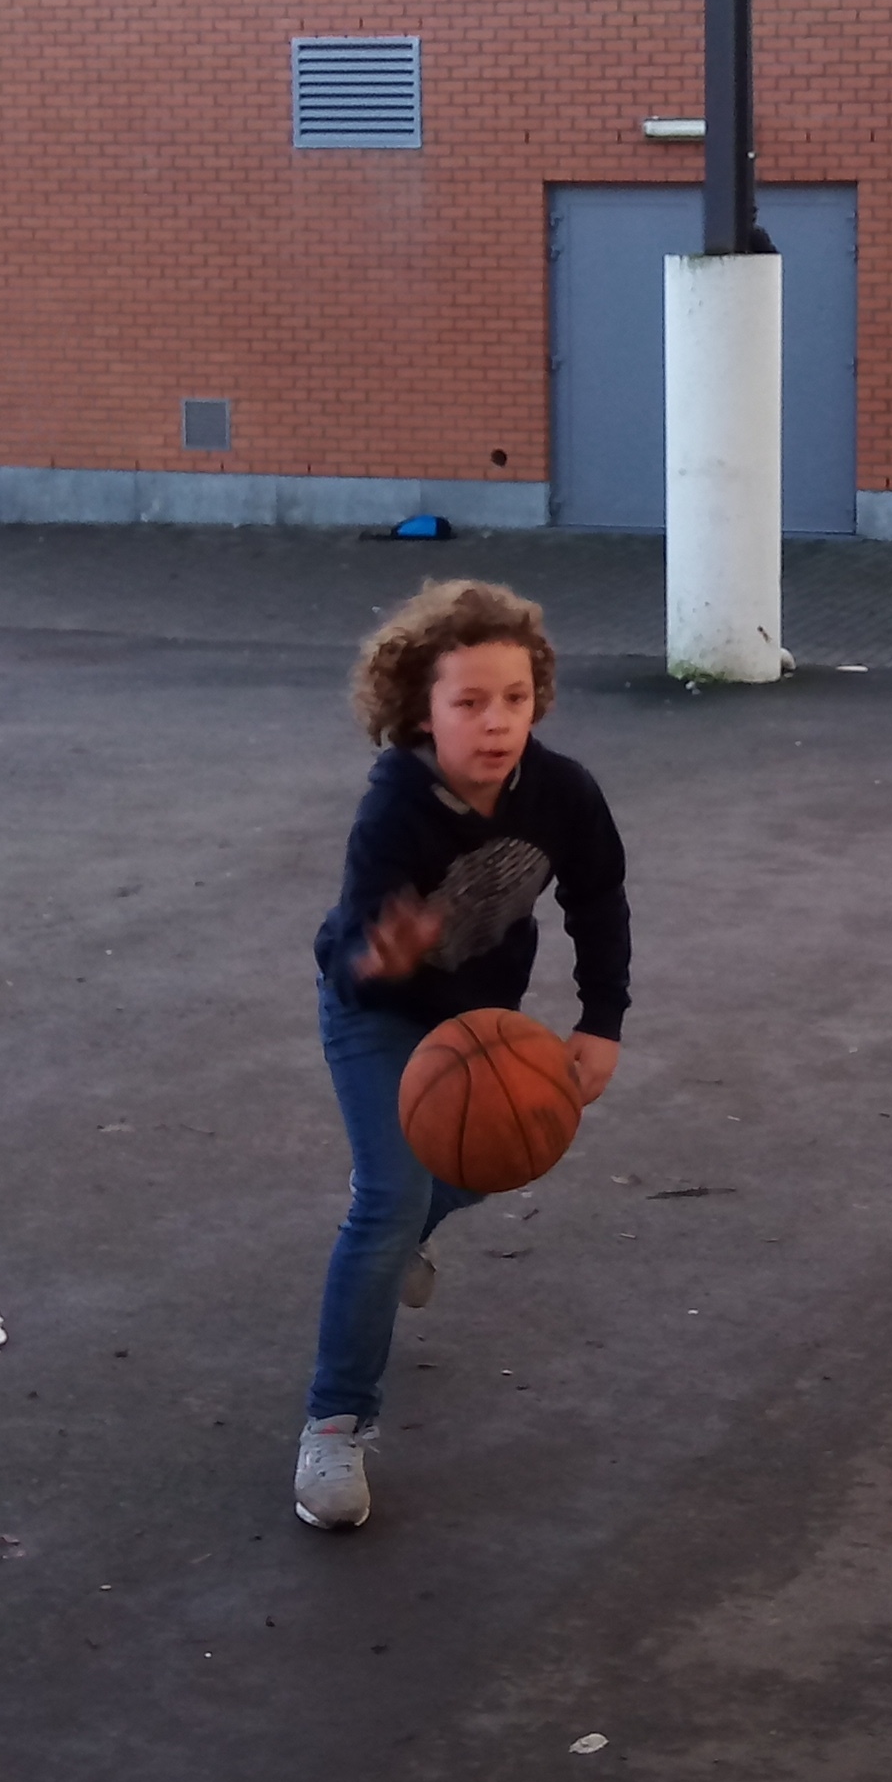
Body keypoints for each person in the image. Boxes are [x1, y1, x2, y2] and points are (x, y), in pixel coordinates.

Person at [294, 579, 628, 1533]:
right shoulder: (393, 810)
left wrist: (601, 1020)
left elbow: (598, 900)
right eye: (469, 702)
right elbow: (355, 959)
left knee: (501, 1155)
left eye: (514, 698)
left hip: (483, 1018)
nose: (496, 722)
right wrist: (380, 957)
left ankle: (410, 1233)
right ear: (421, 711)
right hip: (376, 1011)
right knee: (386, 1198)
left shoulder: (563, 793)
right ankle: (336, 1422)